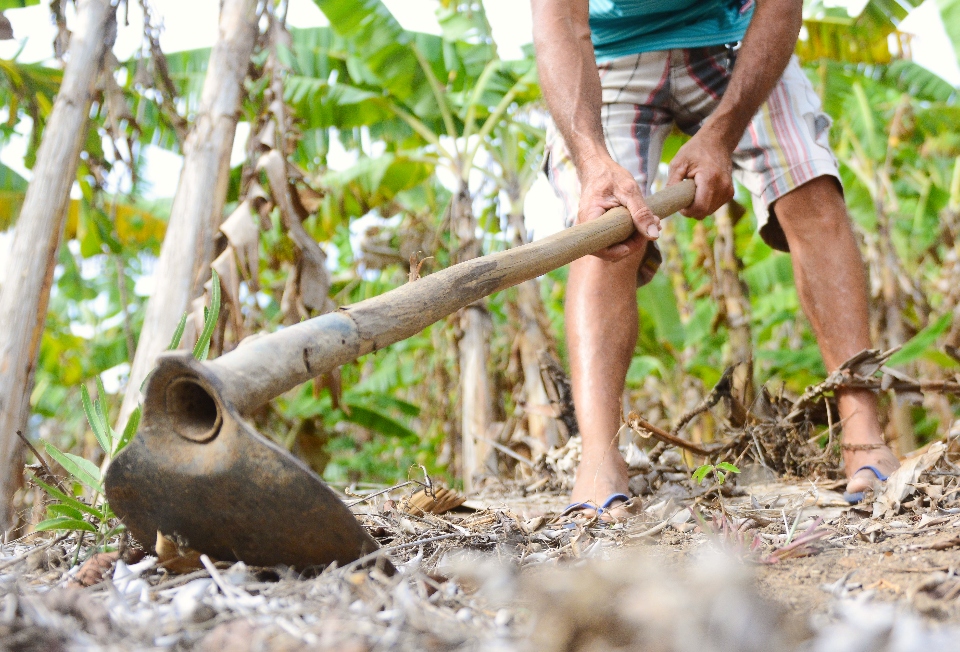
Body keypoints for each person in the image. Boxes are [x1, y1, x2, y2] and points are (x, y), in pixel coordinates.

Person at [530, 0, 900, 518]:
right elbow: (560, 23)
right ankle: (598, 457)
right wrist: (593, 163)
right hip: (608, 56)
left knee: (809, 189)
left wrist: (722, 134)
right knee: (604, 227)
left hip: (737, 39)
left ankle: (863, 435)